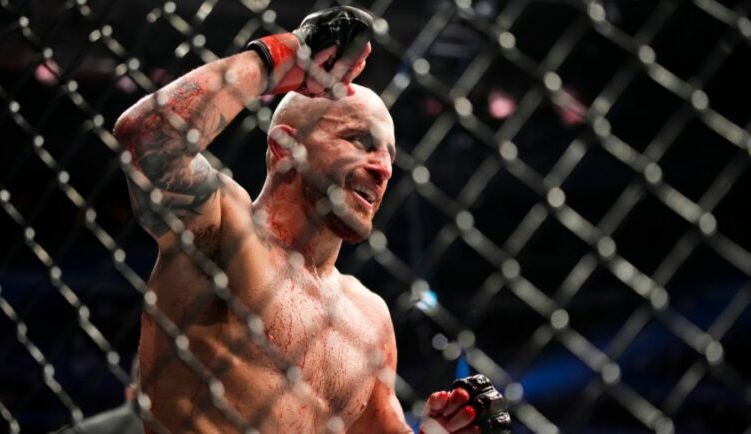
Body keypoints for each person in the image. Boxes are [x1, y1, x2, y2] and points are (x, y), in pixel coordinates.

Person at [114, 6, 510, 434]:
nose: (383, 169)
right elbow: (149, 135)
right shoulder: (226, 232)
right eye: (360, 141)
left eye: (389, 155)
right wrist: (277, 58)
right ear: (285, 147)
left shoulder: (369, 318)